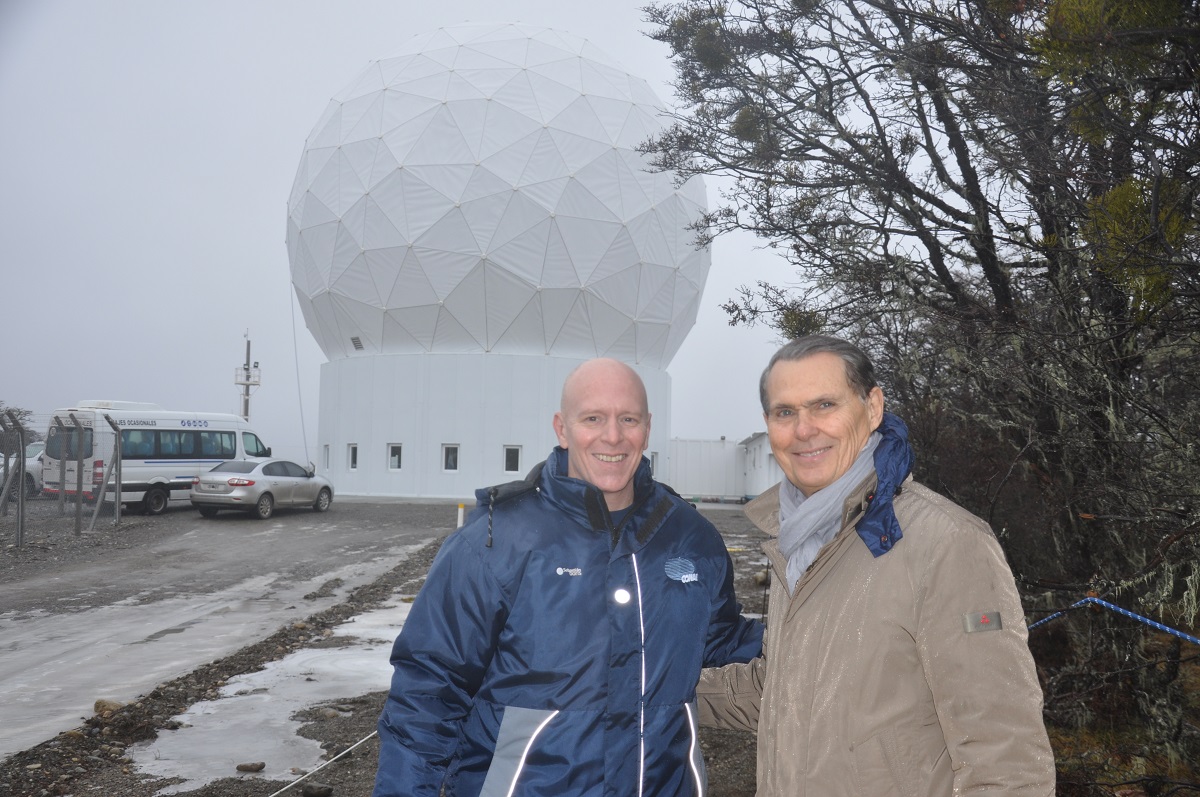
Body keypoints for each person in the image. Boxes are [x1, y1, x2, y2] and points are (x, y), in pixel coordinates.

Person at [373, 357, 763, 797]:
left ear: (647, 428)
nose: (612, 436)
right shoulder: (495, 541)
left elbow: (718, 642)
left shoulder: (692, 539)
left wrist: (815, 629)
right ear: (562, 428)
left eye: (628, 419)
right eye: (593, 418)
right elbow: (427, 693)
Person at [697, 335, 1055, 794]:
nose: (803, 429)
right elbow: (785, 690)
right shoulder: (797, 540)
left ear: (872, 407)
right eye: (785, 412)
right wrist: (651, 683)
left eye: (824, 404)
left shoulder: (947, 543)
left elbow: (1007, 758)